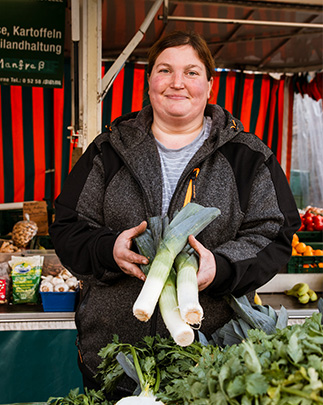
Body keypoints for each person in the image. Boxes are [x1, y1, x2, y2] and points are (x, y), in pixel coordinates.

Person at [49, 31, 300, 396]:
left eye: (192, 72)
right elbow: (68, 226)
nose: (177, 83)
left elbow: (275, 234)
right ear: (149, 82)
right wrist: (109, 249)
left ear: (210, 85)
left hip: (212, 363)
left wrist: (222, 266)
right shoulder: (107, 150)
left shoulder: (248, 156)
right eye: (165, 70)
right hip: (113, 357)